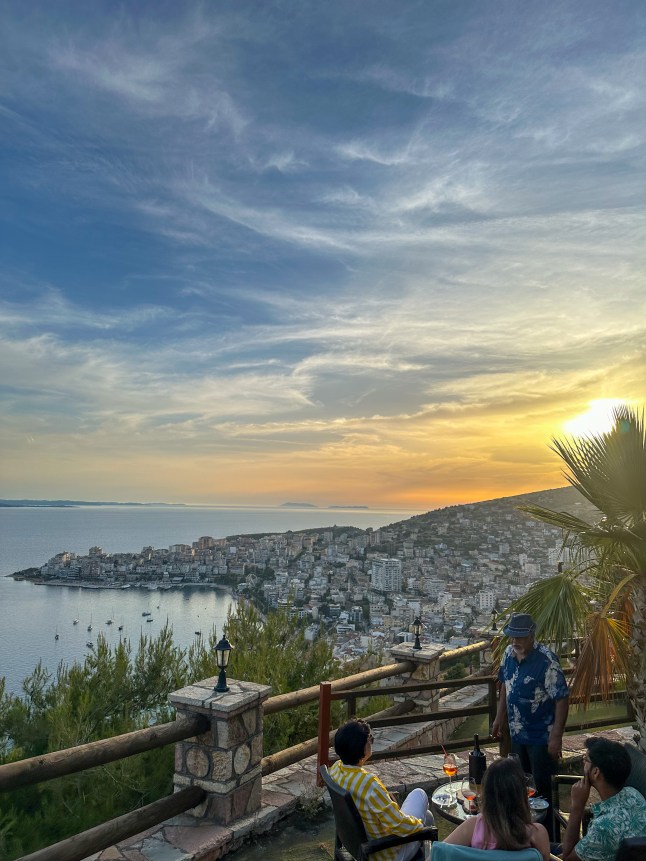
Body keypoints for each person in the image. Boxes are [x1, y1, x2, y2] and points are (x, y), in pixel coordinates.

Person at [492, 612, 569, 838]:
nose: (515, 641)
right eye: (512, 636)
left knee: (543, 795)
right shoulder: (508, 653)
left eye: (520, 637)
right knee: (520, 790)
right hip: (516, 735)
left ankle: (550, 842)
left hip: (541, 737)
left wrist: (556, 737)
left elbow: (562, 698)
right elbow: (505, 684)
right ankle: (523, 836)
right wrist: (499, 717)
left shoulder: (547, 661)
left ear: (532, 635)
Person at [329, 718, 433, 861]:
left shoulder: (336, 769)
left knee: (427, 815)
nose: (371, 741)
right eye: (369, 739)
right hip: (385, 853)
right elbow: (398, 824)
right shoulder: (368, 784)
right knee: (420, 795)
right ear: (361, 747)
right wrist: (423, 827)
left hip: (360, 843)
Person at [444, 757, 550, 861]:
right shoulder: (537, 834)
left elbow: (438, 854)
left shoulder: (473, 827)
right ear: (521, 794)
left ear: (485, 794)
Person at [561, 737, 646, 861]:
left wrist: (577, 807)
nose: (583, 763)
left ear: (596, 772)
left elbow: (567, 857)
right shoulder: (633, 794)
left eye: (586, 760)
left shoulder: (603, 828)